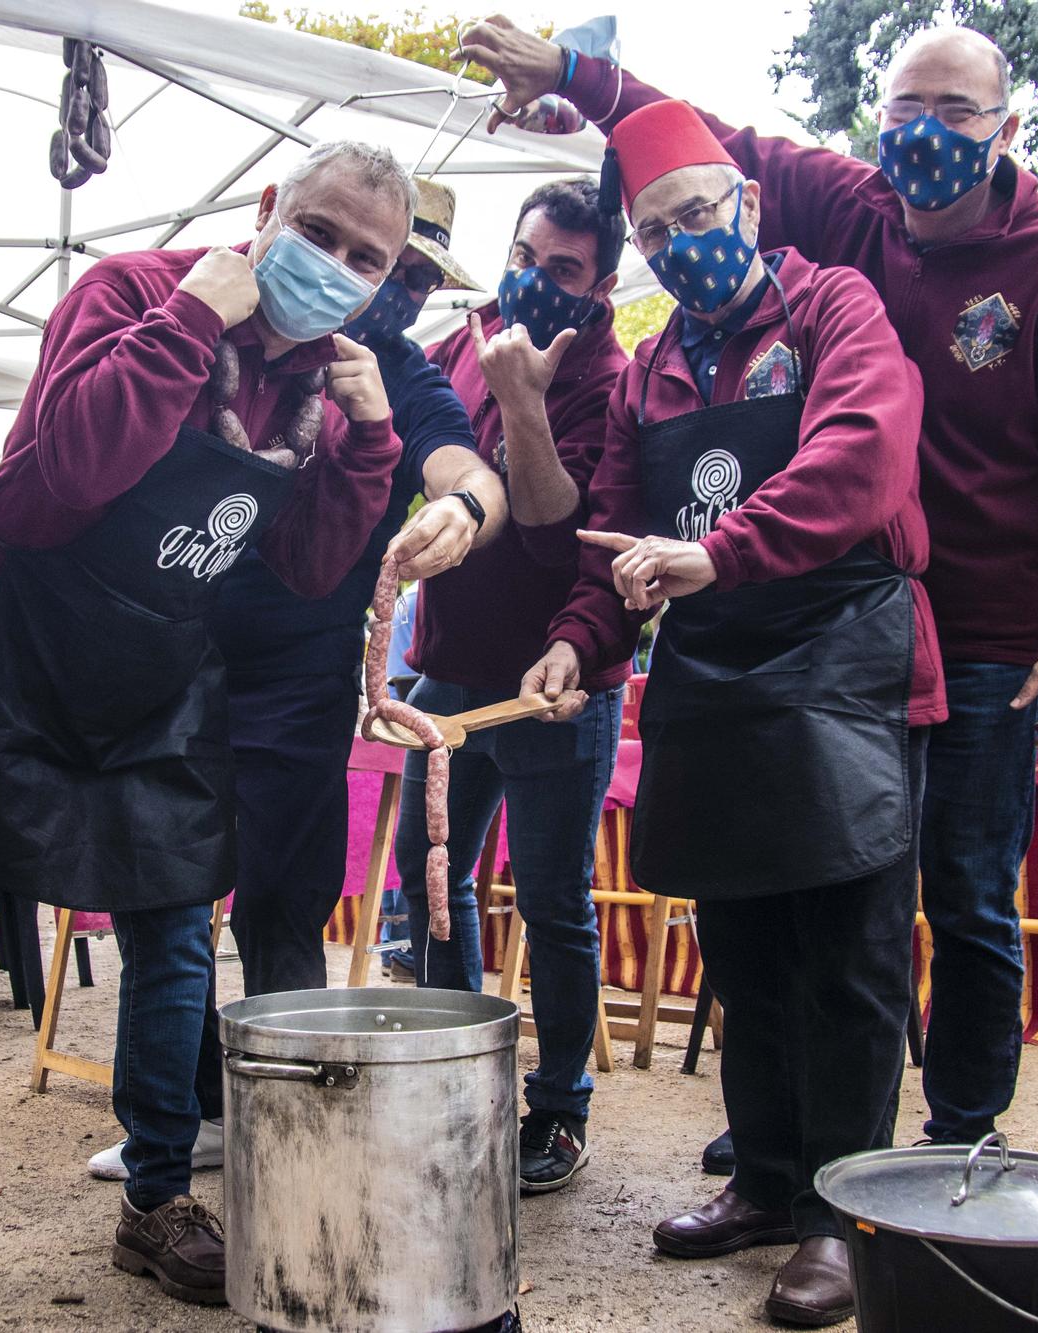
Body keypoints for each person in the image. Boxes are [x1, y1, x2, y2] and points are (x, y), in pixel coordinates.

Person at [460, 16, 1038, 1150]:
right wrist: (577, 77)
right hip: (798, 627)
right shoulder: (840, 224)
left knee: (960, 895)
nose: (923, 135)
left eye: (954, 114)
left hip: (972, 634)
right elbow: (694, 145)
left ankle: (953, 1143)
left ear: (1007, 128)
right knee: (800, 895)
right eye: (902, 113)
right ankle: (787, 1143)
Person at [0, 140, 411, 1314]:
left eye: (365, 257)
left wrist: (374, 446)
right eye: (320, 233)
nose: (335, 268)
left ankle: (154, 1198)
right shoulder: (134, 293)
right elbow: (55, 478)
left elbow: (298, 567)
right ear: (264, 211)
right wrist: (189, 320)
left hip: (159, 673)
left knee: (174, 939)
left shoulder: (321, 392)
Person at [529, 98, 939, 1326]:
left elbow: (862, 456)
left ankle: (842, 1216)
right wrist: (574, 641)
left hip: (843, 660)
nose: (680, 244)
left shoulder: (830, 310)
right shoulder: (650, 370)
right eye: (656, 233)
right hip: (714, 679)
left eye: (697, 216)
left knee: (850, 959)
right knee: (743, 947)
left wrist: (726, 548)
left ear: (748, 206)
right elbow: (608, 535)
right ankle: (764, 1182)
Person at [84, 177, 505, 1182]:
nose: (383, 286)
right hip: (164, 646)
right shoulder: (223, 311)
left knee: (283, 894)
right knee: (169, 892)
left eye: (407, 272)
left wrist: (465, 513)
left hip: (301, 673)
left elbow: (467, 469)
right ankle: (176, 1116)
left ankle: (283, 1105)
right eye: (370, 260)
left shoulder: (397, 370)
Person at [396, 176, 631, 1194]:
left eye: (563, 270)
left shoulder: (615, 380)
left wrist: (522, 403)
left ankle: (557, 1109)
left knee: (552, 898)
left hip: (555, 683)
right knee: (429, 877)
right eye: (525, 258)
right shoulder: (464, 335)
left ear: (604, 283)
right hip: (445, 672)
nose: (534, 282)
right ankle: (460, 1077)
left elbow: (550, 531)